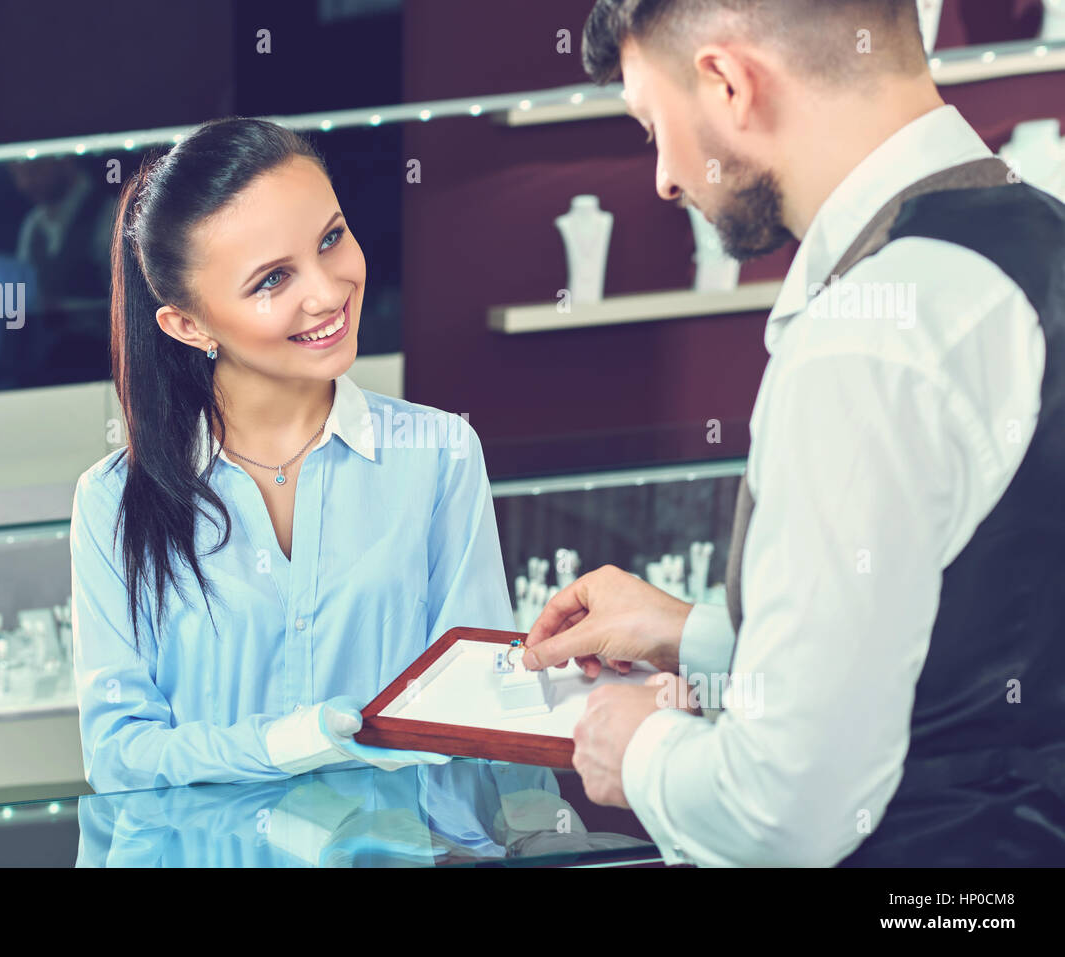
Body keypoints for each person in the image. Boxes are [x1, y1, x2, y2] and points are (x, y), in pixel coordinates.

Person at [523, 0, 1065, 866]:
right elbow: (962, 637)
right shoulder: (1040, 238)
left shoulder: (863, 338)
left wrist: (638, 749)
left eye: (651, 122)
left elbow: (786, 812)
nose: (663, 175)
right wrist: (690, 630)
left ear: (729, 84)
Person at [72, 117, 516, 794]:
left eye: (331, 239)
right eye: (273, 278)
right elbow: (119, 755)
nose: (328, 291)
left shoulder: (440, 456)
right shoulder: (111, 500)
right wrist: (289, 743)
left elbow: (481, 712)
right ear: (188, 325)